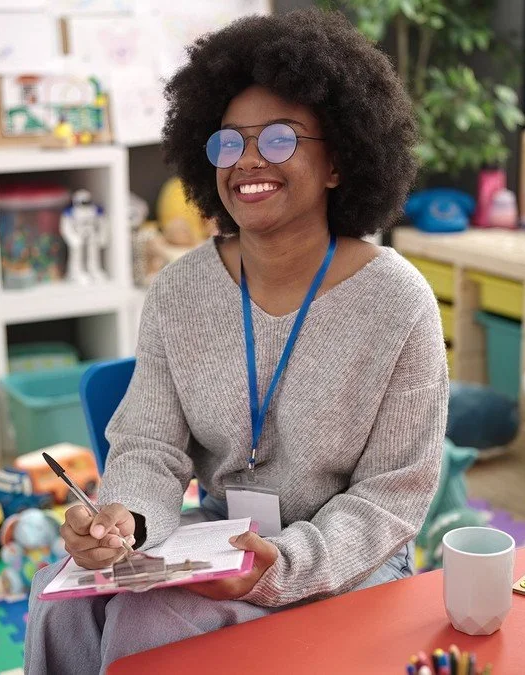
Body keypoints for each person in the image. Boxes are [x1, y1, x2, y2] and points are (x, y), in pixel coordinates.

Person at [24, 9, 447, 674]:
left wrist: (285, 563)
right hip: (222, 540)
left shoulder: (399, 302)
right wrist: (123, 521)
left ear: (338, 159)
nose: (248, 160)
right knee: (57, 600)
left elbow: (393, 494)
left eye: (279, 139)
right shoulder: (180, 291)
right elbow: (151, 445)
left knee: (150, 621)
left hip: (347, 558)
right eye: (227, 142)